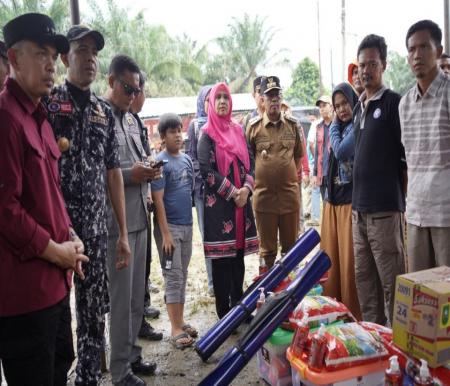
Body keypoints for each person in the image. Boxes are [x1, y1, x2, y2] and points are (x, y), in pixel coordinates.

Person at [0, 13, 89, 385]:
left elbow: (49, 192)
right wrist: (55, 251)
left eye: (53, 56)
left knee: (58, 368)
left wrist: (69, 234)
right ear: (14, 60)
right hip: (25, 295)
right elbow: (6, 210)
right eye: (40, 54)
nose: (50, 65)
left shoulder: (38, 115)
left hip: (54, 285)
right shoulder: (6, 118)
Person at [44, 25, 132, 385]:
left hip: (95, 233)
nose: (91, 59)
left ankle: (88, 379)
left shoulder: (102, 112)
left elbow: (113, 173)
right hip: (57, 232)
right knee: (56, 318)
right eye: (82, 50)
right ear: (66, 57)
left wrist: (123, 233)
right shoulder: (48, 103)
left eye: (95, 52)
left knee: (94, 317)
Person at [104, 55, 160, 386]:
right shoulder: (98, 119)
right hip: (116, 225)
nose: (132, 95)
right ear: (111, 81)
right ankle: (119, 370)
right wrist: (132, 174)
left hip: (140, 215)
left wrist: (148, 169)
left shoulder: (129, 120)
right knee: (121, 302)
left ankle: (132, 355)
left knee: (137, 298)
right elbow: (95, 174)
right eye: (127, 88)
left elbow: (137, 162)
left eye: (136, 89)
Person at [352, 34, 406, 326]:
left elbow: (405, 159)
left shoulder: (392, 103)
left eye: (372, 63)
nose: (365, 70)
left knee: (393, 286)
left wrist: (401, 204)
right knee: (366, 286)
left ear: (383, 65)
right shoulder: (361, 105)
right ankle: (373, 343)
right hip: (358, 214)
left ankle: (399, 353)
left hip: (385, 212)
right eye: (361, 65)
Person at [198, 82, 258, 318]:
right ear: (212, 103)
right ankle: (225, 315)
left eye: (226, 97)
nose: (222, 101)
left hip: (241, 205)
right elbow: (206, 169)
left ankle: (240, 308)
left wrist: (246, 189)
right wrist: (233, 192)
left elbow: (251, 163)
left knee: (238, 258)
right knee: (223, 261)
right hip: (221, 207)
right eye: (218, 98)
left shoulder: (238, 131)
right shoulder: (207, 133)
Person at [400, 20, 450, 271]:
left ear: (438, 51)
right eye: (411, 49)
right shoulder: (405, 104)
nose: (417, 55)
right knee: (420, 297)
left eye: (423, 47)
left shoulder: (448, 93)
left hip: (446, 214)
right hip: (416, 213)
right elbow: (409, 161)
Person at [247, 76, 304, 269]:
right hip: (264, 200)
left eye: (277, 95)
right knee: (267, 252)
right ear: (262, 99)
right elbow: (248, 161)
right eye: (269, 96)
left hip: (289, 198)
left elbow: (297, 157)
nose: (274, 100)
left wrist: (282, 173)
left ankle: (290, 294)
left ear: (281, 98)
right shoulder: (253, 128)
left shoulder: (293, 125)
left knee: (291, 251)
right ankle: (268, 294)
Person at [152, 113, 197, 348]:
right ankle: (175, 328)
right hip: (168, 230)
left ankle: (180, 321)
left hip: (187, 227)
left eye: (180, 130)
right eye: (172, 132)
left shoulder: (187, 160)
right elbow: (157, 200)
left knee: (182, 275)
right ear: (162, 137)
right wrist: (166, 234)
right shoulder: (161, 163)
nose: (178, 135)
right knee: (173, 277)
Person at [321, 82, 361, 320]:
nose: (342, 109)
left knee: (349, 265)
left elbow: (341, 151)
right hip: (331, 201)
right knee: (331, 262)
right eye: (337, 106)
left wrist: (334, 124)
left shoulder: (357, 125)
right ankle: (330, 312)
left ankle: (352, 315)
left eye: (345, 103)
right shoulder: (336, 127)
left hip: (348, 202)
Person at [130, 71, 163, 341]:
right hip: (126, 209)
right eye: (139, 90)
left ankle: (141, 310)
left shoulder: (137, 124)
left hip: (143, 201)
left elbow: (144, 157)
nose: (142, 96)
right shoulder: (116, 120)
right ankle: (135, 321)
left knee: (145, 264)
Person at [186, 85, 214, 296]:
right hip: (202, 189)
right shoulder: (195, 125)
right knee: (207, 235)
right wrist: (204, 177)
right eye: (208, 99)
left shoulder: (222, 125)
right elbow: (192, 156)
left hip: (221, 189)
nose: (211, 102)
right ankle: (213, 283)